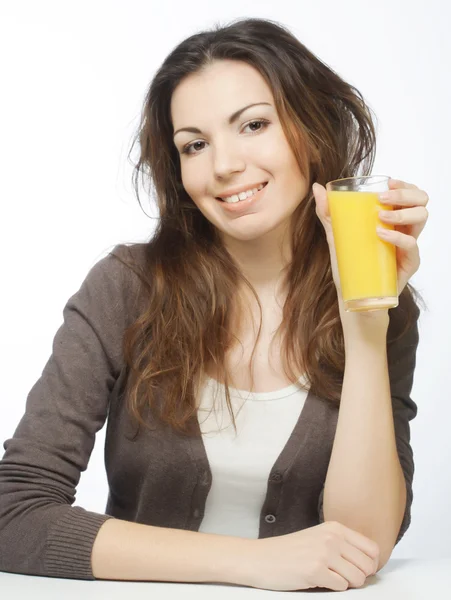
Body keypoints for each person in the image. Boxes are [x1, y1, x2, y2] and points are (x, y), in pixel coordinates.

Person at [0, 17, 429, 592]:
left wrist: (366, 319)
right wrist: (256, 563)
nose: (223, 164)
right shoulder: (126, 288)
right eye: (195, 145)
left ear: (313, 128)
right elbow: (14, 514)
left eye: (253, 125)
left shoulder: (383, 305)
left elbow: (362, 544)